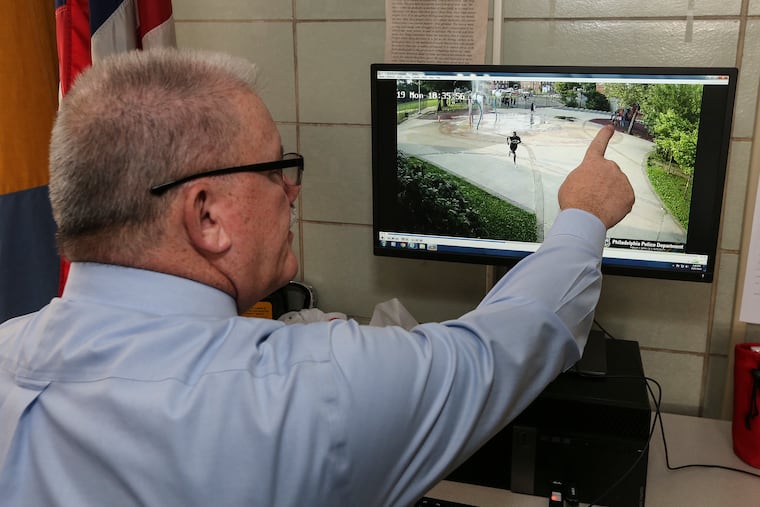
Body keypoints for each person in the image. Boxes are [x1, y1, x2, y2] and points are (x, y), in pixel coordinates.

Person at [0, 48, 634, 507]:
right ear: (207, 215)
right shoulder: (314, 387)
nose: (292, 190)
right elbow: (507, 344)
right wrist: (583, 214)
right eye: (276, 168)